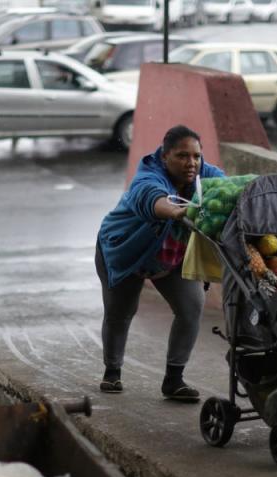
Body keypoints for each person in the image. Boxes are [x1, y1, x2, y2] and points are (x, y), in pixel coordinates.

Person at [95, 125, 225, 401]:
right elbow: (151, 199)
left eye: (196, 156)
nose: (191, 163)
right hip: (125, 251)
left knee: (191, 308)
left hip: (171, 257)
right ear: (164, 157)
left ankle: (174, 380)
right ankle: (112, 371)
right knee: (121, 312)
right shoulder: (148, 175)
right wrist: (176, 212)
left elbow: (228, 191)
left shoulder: (205, 176)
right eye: (182, 156)